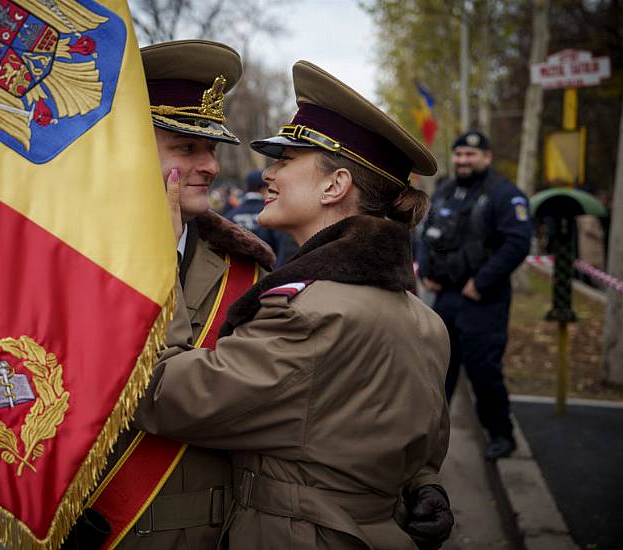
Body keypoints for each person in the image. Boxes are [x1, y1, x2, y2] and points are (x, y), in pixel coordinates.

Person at [134, 61, 452, 550]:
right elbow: (411, 445)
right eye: (188, 147)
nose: (268, 173)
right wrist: (423, 485)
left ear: (334, 186)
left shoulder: (310, 312)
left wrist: (156, 263)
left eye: (285, 159)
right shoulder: (425, 321)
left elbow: (164, 393)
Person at [64, 39, 276, 550]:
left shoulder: (245, 271)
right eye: (187, 148)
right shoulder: (67, 256)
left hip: (205, 530)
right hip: (89, 525)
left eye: (212, 149)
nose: (210, 166)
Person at [418, 130, 533, 461]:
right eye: (459, 155)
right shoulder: (445, 190)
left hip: (484, 298)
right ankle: (428, 441)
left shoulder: (503, 194)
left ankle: (500, 434)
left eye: (471, 155)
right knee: (438, 371)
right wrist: (426, 272)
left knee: (484, 371)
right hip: (446, 297)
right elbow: (428, 235)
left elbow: (517, 243)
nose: (463, 160)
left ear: (487, 157)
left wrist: (481, 282)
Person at [226, 170, 288, 262]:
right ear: (264, 189)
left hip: (236, 271)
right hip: (268, 270)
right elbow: (281, 246)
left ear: (246, 187)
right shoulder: (272, 214)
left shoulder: (231, 215)